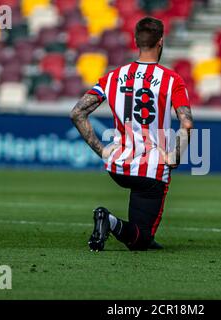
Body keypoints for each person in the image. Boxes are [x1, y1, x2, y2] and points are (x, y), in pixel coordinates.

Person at [70, 17, 193, 251]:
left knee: (141, 225)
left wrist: (102, 151)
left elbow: (77, 113)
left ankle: (136, 229)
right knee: (141, 242)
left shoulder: (114, 76)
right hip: (150, 169)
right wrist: (175, 155)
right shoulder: (171, 80)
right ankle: (111, 221)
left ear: (136, 41)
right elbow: (186, 124)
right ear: (161, 42)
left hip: (118, 166)